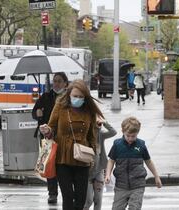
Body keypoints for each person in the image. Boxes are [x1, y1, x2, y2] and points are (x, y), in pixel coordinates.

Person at [39, 79, 104, 210]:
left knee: (81, 200)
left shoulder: (89, 111)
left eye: (81, 97)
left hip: (82, 158)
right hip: (63, 158)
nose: (78, 99)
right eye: (75, 96)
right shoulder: (60, 107)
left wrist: (93, 156)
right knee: (67, 198)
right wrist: (47, 131)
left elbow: (92, 136)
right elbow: (51, 128)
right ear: (69, 95)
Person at [105, 117, 162, 210]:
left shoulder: (141, 145)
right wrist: (108, 174)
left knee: (134, 208)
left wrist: (156, 176)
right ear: (123, 131)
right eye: (128, 136)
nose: (130, 138)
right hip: (121, 186)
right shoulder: (117, 145)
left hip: (137, 185)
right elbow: (111, 160)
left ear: (137, 133)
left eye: (133, 136)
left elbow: (148, 161)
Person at [32, 72, 69, 204]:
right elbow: (35, 112)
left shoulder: (69, 97)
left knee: (64, 166)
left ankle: (67, 193)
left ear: (65, 83)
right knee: (49, 165)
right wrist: (38, 114)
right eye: (55, 81)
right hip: (48, 137)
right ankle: (52, 193)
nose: (56, 83)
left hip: (64, 137)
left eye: (59, 81)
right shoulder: (46, 96)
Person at [84, 117, 117, 210]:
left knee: (98, 200)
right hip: (87, 173)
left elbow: (113, 132)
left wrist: (105, 122)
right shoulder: (83, 136)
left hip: (99, 171)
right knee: (88, 201)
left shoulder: (100, 135)